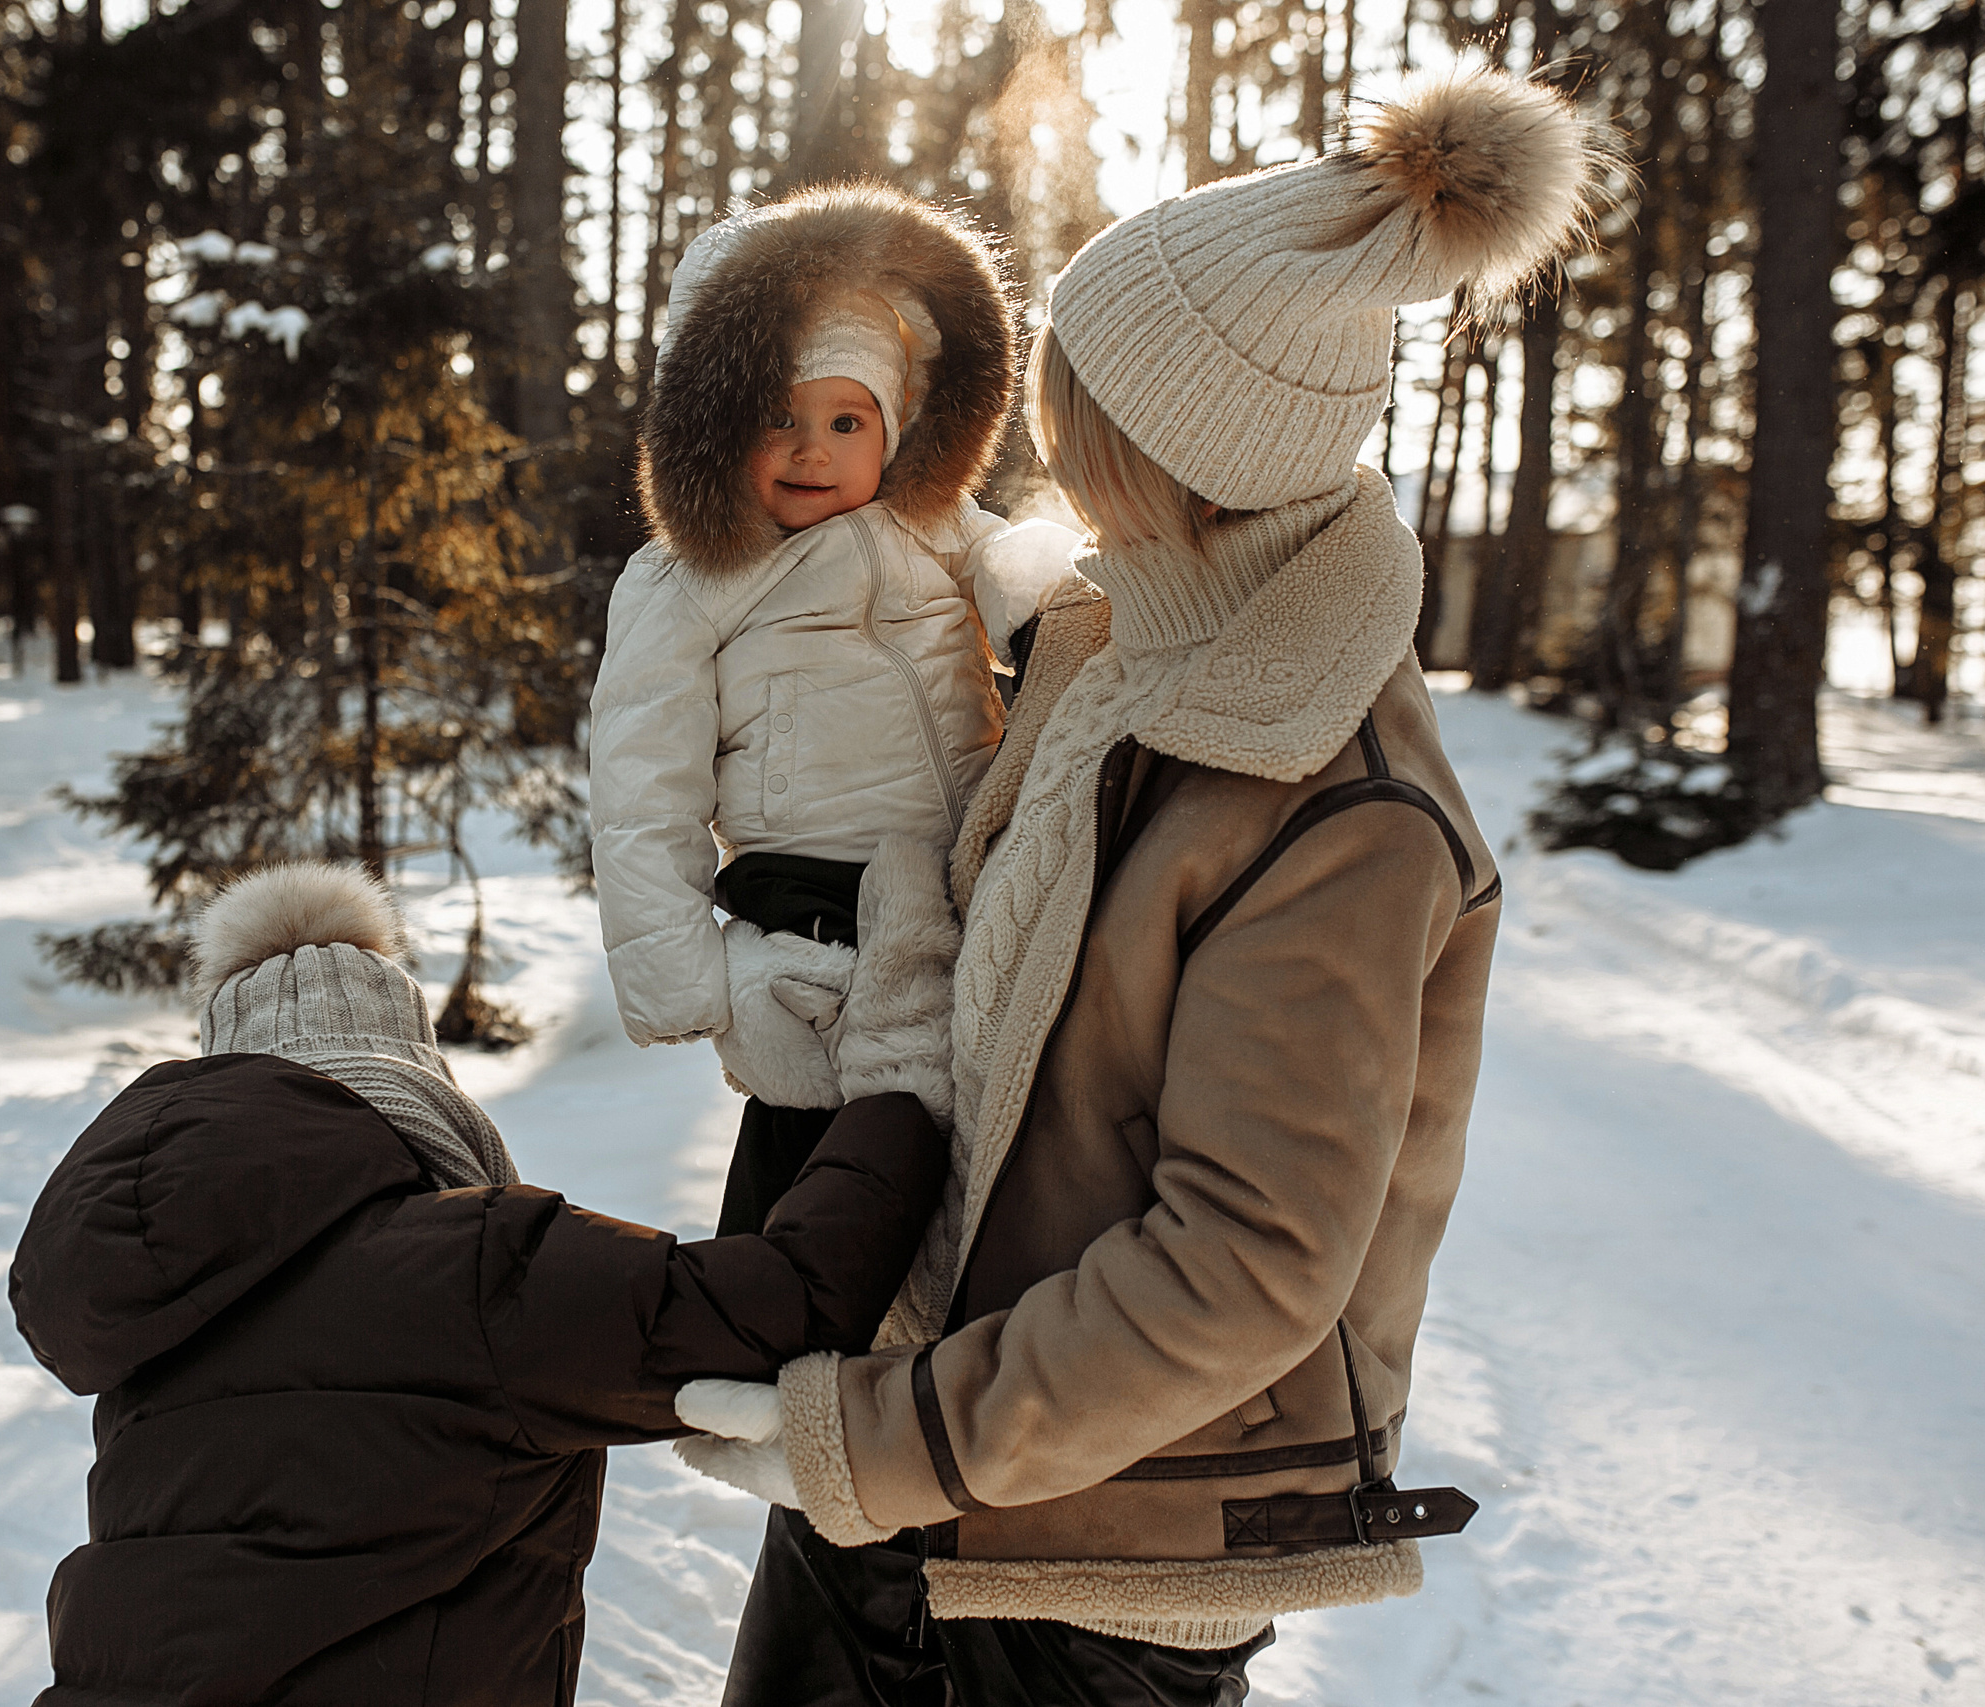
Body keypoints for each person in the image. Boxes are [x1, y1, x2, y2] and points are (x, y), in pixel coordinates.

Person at [672, 68, 1603, 1705]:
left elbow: (1243, 1264)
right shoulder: (1123, 638)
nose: (1044, 408)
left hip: (1082, 1577)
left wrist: (881, 1443)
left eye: (1078, 384)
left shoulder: (1337, 807)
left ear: (1171, 440)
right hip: (911, 1472)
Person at [6, 860, 949, 1705]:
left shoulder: (154, 1343)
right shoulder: (470, 1269)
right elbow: (786, 1303)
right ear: (413, 1089)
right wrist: (896, 1086)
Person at [590, 183, 1080, 1235]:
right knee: (819, 1146)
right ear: (716, 430)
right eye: (778, 418)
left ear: (894, 430)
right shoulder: (687, 580)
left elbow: (1014, 562)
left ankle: (961, 1332)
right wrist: (701, 979)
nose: (812, 448)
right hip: (806, 901)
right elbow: (642, 788)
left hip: (964, 870)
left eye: (844, 419)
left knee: (972, 1128)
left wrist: (1049, 617)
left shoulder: (936, 523)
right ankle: (770, 1332)